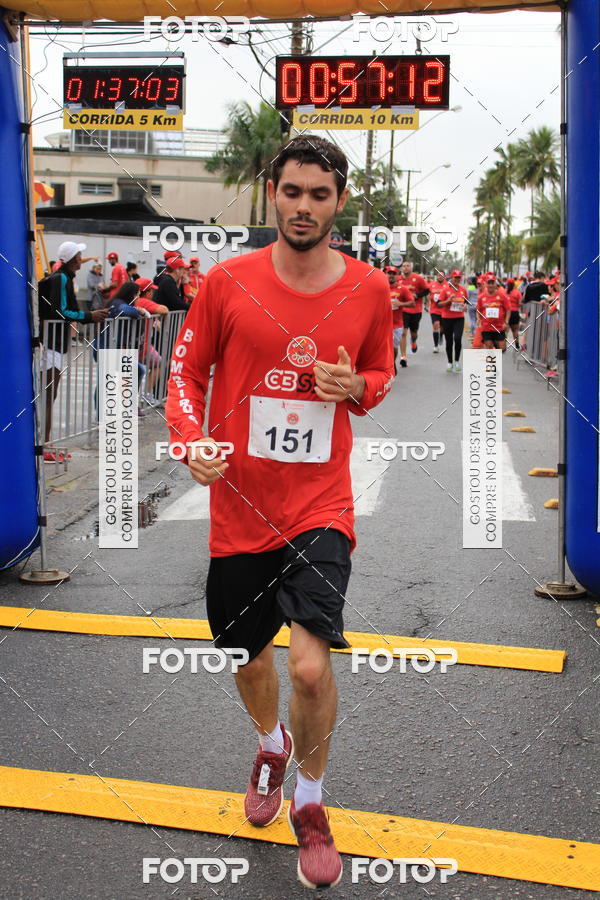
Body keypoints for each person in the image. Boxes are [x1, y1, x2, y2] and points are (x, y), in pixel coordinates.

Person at [165, 134, 394, 890]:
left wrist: (353, 387)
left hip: (320, 506)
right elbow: (184, 373)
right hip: (240, 505)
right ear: (273, 193)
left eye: (319, 195)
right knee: (250, 655)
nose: (303, 206)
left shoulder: (369, 289)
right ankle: (271, 744)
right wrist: (190, 440)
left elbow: (380, 376)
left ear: (339, 202)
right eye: (292, 191)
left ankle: (312, 800)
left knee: (308, 664)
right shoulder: (226, 281)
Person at [39, 241, 107, 458]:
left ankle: (45, 444)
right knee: (48, 396)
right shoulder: (60, 278)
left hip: (56, 344)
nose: (81, 259)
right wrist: (88, 316)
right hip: (50, 344)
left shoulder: (65, 277)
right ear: (72, 258)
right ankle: (44, 446)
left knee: (50, 396)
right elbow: (60, 311)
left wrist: (87, 316)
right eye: (79, 255)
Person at [135, 276, 168, 403]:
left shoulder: (136, 301)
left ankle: (142, 396)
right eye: (151, 291)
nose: (153, 293)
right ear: (147, 292)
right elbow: (163, 310)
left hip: (138, 343)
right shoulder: (143, 301)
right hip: (141, 345)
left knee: (137, 370)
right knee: (158, 364)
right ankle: (146, 394)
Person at [396, 260, 429, 357]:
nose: (406, 267)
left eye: (408, 266)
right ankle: (403, 357)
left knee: (414, 333)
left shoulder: (418, 278)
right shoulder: (398, 279)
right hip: (403, 309)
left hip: (416, 309)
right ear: (401, 268)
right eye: (404, 266)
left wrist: (417, 296)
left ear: (411, 268)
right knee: (403, 333)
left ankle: (413, 340)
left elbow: (427, 290)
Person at [384, 265, 413, 374]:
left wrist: (400, 304)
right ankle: (387, 366)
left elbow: (412, 303)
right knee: (383, 347)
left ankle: (392, 362)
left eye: (394, 274)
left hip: (396, 324)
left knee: (394, 347)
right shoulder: (380, 287)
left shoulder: (402, 289)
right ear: (385, 274)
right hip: (381, 324)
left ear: (397, 276)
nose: (391, 276)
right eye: (389, 273)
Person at [438, 269, 467, 372]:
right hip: (447, 318)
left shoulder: (463, 290)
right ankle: (450, 362)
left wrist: (465, 306)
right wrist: (448, 300)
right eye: (456, 277)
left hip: (459, 318)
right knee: (449, 341)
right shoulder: (445, 290)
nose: (457, 279)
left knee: (458, 339)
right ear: (451, 278)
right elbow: (439, 304)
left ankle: (457, 361)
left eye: (459, 277)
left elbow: (466, 302)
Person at [477, 274, 511, 350]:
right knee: (489, 346)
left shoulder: (502, 295)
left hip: (499, 326)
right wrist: (478, 319)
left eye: (492, 283)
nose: (491, 285)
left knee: (502, 349)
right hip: (486, 327)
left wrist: (506, 322)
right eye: (489, 283)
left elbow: (508, 309)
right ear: (486, 284)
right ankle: (492, 355)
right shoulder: (481, 297)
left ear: (496, 284)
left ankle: (495, 343)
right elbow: (478, 310)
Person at [428, 270, 446, 353]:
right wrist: (428, 301)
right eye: (439, 275)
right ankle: (435, 346)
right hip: (434, 309)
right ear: (436, 276)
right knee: (436, 325)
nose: (440, 277)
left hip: (444, 310)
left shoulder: (448, 285)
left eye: (441, 275)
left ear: (444, 277)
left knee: (442, 327)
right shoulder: (432, 285)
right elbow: (427, 294)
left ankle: (441, 335)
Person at [505, 278, 522, 349]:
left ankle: (503, 345)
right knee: (515, 330)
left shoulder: (504, 292)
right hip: (515, 313)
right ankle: (517, 345)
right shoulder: (517, 292)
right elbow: (520, 303)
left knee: (505, 330)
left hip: (506, 313)